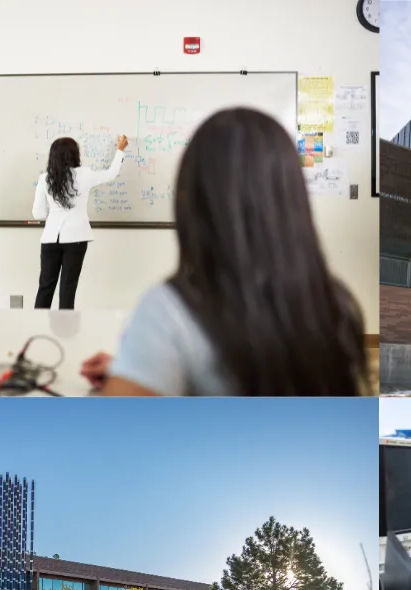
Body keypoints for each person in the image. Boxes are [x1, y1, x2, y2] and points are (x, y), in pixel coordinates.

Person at [79, 108, 367, 396]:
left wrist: (140, 366)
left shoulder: (169, 312)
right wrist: (146, 366)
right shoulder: (336, 305)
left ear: (192, 198)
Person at [32, 135, 129, 310]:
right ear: (74, 154)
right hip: (76, 239)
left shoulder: (45, 178)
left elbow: (38, 213)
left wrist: (55, 215)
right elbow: (111, 173)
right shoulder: (84, 175)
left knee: (45, 287)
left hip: (50, 239)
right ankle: (65, 333)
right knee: (68, 289)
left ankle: (36, 329)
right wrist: (120, 150)